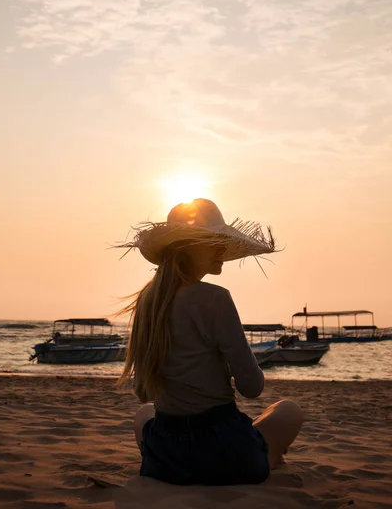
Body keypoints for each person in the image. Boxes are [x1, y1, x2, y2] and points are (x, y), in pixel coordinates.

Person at [115, 198, 303, 486]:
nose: (223, 249)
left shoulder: (147, 302)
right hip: (224, 451)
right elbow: (252, 388)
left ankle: (175, 465)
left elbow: (143, 392)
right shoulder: (215, 299)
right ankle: (269, 458)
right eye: (214, 241)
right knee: (289, 410)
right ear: (189, 247)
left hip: (166, 453)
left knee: (144, 414)